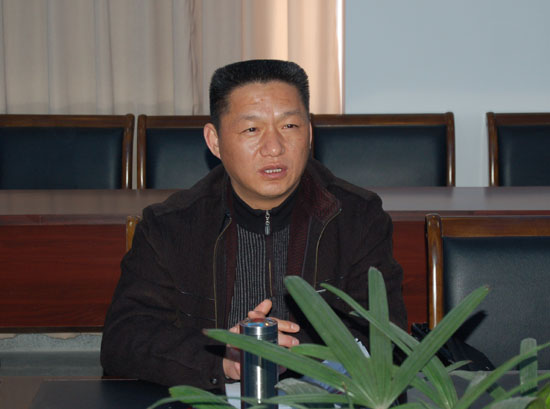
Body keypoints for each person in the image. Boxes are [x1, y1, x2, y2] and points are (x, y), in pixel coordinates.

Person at [100, 59, 407, 390]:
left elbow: (387, 337)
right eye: (251, 129)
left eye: (290, 126)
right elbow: (124, 339)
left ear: (309, 132)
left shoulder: (357, 217)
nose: (274, 148)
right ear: (214, 141)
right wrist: (225, 358)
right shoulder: (170, 226)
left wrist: (293, 354)